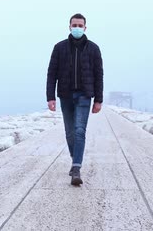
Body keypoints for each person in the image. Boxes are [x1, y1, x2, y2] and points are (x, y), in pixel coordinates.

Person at [46, 13, 104, 186]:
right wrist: (50, 97)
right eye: (74, 25)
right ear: (69, 27)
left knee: (79, 131)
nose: (77, 28)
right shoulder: (59, 48)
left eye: (80, 25)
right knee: (70, 133)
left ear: (85, 28)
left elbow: (98, 75)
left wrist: (98, 100)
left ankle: (76, 168)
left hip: (84, 96)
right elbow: (51, 73)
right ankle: (75, 159)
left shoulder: (93, 49)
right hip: (65, 95)